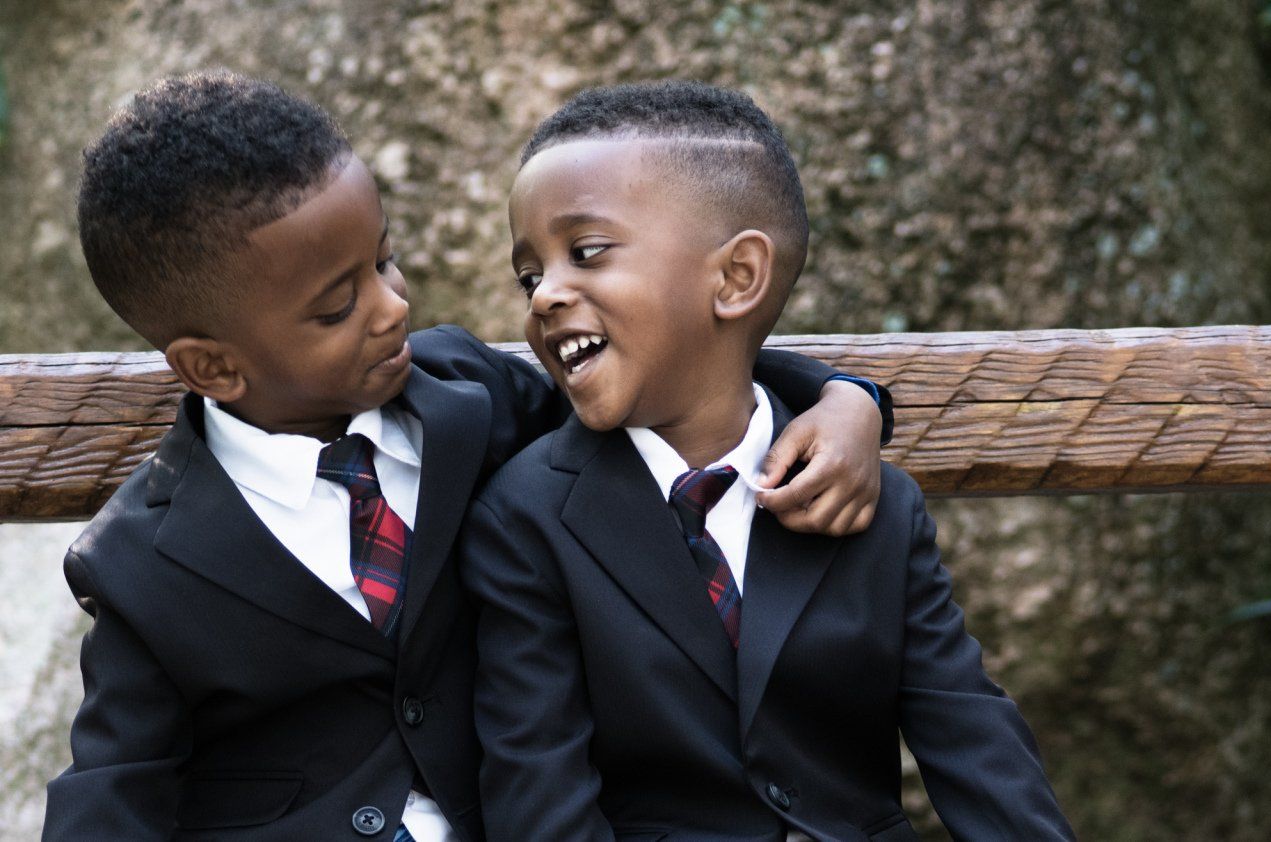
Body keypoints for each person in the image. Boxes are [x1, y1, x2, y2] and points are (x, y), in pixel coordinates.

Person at [43, 71, 892, 842]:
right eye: (339, 306)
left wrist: (845, 399)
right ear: (214, 367)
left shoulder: (465, 399)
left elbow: (676, 368)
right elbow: (115, 784)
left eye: (383, 259)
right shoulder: (141, 561)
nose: (392, 306)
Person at [462, 80, 1074, 841]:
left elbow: (973, 739)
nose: (546, 294)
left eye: (585, 252)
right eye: (530, 274)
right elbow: (540, 804)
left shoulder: (876, 506)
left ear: (738, 277)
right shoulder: (525, 519)